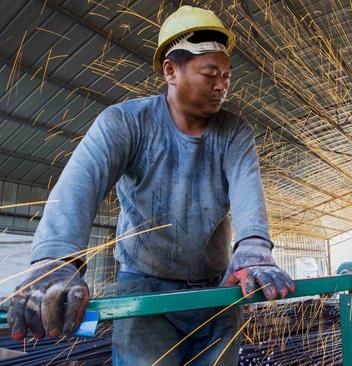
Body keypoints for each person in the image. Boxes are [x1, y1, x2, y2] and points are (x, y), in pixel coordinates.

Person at [7, 6, 295, 365]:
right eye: (210, 74)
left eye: (226, 75)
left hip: (217, 289)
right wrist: (56, 260)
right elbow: (78, 187)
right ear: (170, 71)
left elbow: (248, 191)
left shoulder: (235, 132)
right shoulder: (125, 123)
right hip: (144, 292)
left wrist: (253, 249)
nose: (222, 85)